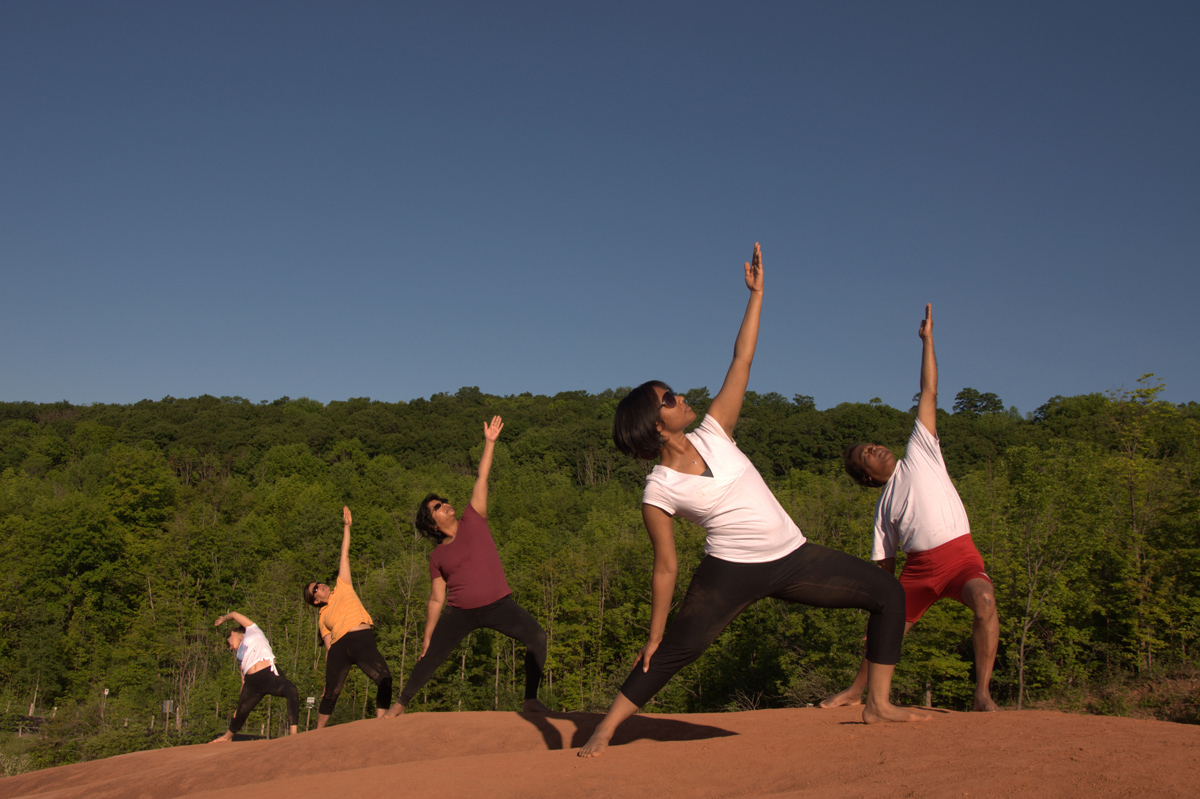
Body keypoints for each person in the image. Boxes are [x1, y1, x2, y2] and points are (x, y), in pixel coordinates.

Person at [578, 243, 928, 758]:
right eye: (669, 398)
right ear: (656, 424)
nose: (680, 396)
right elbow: (665, 567)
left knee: (888, 594)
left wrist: (757, 295)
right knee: (677, 649)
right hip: (731, 571)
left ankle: (877, 704)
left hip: (794, 556)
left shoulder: (716, 431)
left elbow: (742, 357)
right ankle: (604, 730)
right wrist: (654, 633)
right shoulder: (658, 489)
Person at [822, 304, 1000, 713]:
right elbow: (883, 567)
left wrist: (928, 341)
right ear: (865, 475)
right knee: (886, 628)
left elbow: (930, 392)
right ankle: (855, 692)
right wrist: (885, 598)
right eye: (866, 453)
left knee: (985, 602)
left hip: (960, 556)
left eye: (872, 443)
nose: (875, 447)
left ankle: (982, 694)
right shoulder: (883, 507)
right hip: (919, 570)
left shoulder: (921, 452)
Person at [395, 415, 549, 714]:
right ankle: (400, 704)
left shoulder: (474, 519)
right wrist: (427, 635)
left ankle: (530, 698)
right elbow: (437, 598)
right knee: (431, 657)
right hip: (460, 613)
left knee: (538, 637)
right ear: (432, 524)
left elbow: (481, 477)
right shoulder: (437, 556)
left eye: (443, 501)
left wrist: (490, 443)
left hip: (498, 605)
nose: (444, 504)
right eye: (437, 506)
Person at [304, 506, 400, 727]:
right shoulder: (322, 617)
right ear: (315, 600)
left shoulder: (343, 585)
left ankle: (380, 725)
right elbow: (329, 648)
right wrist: (327, 677)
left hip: (363, 640)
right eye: (315, 589)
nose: (320, 586)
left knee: (385, 679)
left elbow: (344, 554)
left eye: (318, 583)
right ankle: (317, 733)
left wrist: (347, 527)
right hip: (340, 648)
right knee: (331, 693)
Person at [210, 612, 300, 742]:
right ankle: (227, 737)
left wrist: (223, 619)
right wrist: (239, 704)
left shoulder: (252, 630)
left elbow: (234, 614)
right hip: (252, 682)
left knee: (291, 690)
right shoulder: (239, 654)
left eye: (227, 642)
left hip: (268, 674)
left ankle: (294, 734)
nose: (229, 647)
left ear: (233, 633)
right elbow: (243, 680)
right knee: (241, 711)